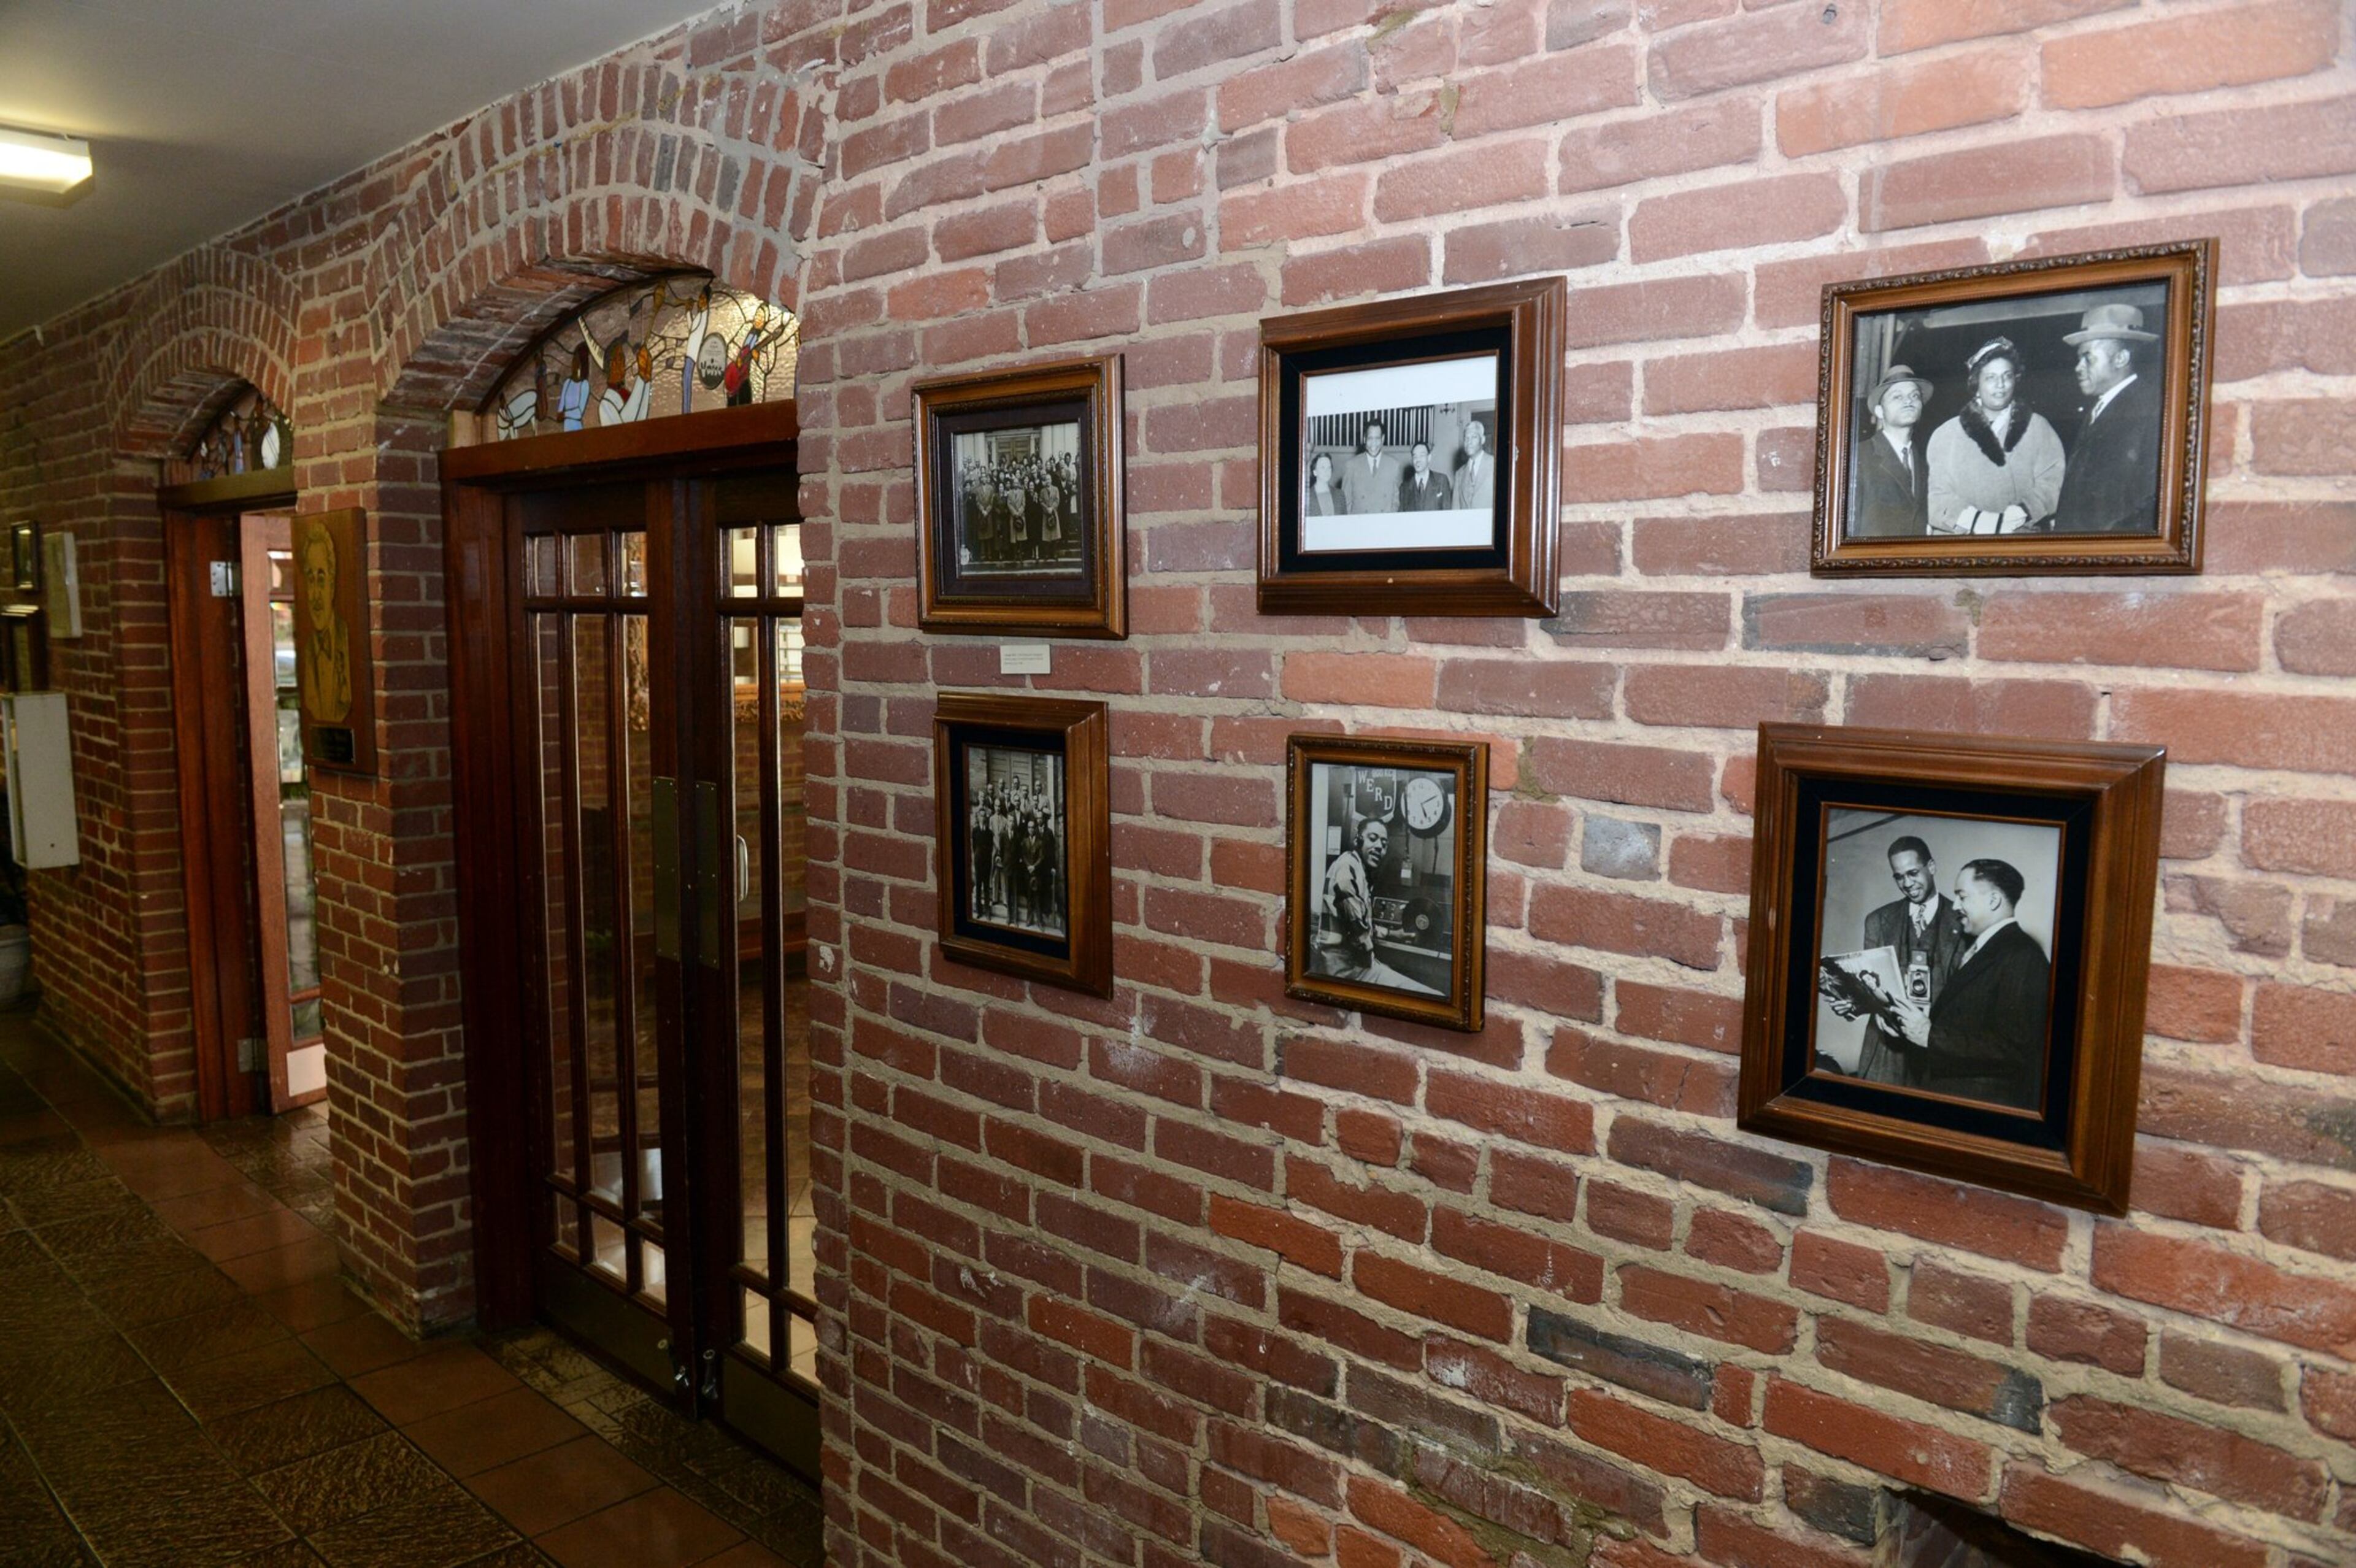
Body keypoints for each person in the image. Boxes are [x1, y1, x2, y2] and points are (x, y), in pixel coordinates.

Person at [1888, 858, 2051, 1112]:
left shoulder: (2022, 954)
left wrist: (1930, 1035)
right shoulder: (1982, 949)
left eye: (1962, 897)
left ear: (1994, 900)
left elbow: (2014, 1048)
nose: (1956, 906)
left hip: (1980, 1109)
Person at [1828, 835, 1968, 1086]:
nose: (1907, 883)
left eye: (1913, 873)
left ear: (1932, 867)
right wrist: (1851, 1004)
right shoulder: (1878, 920)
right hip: (1886, 1050)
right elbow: (1870, 987)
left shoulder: (1963, 921)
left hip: (1938, 1052)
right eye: (1899, 876)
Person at [1925, 337, 2065, 536]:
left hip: (2021, 543)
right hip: (1965, 547)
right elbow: (1937, 498)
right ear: (1976, 384)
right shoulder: (1947, 434)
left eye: (2007, 376)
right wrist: (1980, 521)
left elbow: (2053, 484)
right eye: (1990, 377)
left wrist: (2024, 512)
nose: (2000, 385)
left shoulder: (2038, 427)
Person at [2054, 303, 2163, 534]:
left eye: (2088, 358)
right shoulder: (2102, 407)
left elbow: (2145, 505)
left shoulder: (2149, 410)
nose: (2078, 368)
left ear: (2121, 358)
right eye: (2079, 359)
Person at [1315, 817, 1436, 994]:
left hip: (1354, 967)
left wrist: (1396, 934)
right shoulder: (1346, 868)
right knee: (1431, 996)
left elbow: (1362, 925)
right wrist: (1376, 962)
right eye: (1373, 838)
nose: (1380, 846)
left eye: (1384, 843)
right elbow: (1358, 932)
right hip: (1346, 972)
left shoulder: (1358, 869)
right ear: (1358, 840)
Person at [1850, 364, 1931, 537]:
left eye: (1914, 396)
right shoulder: (1858, 457)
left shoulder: (1925, 462)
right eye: (1897, 397)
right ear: (1880, 411)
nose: (1908, 401)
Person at [1339, 420, 1403, 515]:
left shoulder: (1394, 465)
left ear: (1383, 439)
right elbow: (1345, 504)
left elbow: (1396, 502)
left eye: (1377, 439)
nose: (1374, 444)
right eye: (1370, 438)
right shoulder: (1351, 465)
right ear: (1365, 439)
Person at [1399, 441, 1453, 510]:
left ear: (1429, 458)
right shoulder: (1405, 487)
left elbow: (1447, 512)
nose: (1418, 460)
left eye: (1422, 456)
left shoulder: (1442, 481)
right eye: (1415, 456)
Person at [1454, 419, 1495, 509]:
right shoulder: (1459, 474)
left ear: (1483, 440)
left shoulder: (1495, 465)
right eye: (1466, 438)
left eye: (1474, 437)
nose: (1469, 442)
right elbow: (1456, 510)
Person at [1305, 451, 1342, 518]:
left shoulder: (1340, 495)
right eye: (1323, 468)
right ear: (1315, 472)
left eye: (1329, 468)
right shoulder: (1306, 497)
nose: (1327, 471)